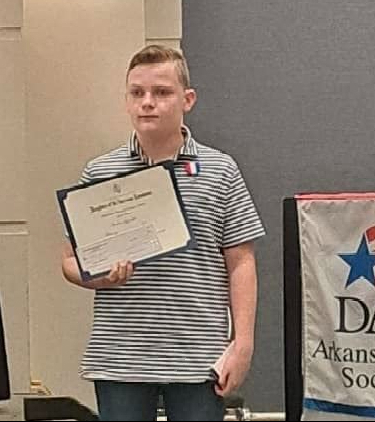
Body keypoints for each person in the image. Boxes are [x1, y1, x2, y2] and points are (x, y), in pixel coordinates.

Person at [61, 45, 265, 422]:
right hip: (120, 358)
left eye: (162, 93)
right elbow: (70, 261)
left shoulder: (220, 171)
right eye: (137, 93)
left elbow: (241, 261)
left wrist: (243, 344)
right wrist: (97, 276)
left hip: (198, 357)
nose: (148, 103)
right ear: (126, 102)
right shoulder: (101, 172)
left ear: (188, 100)